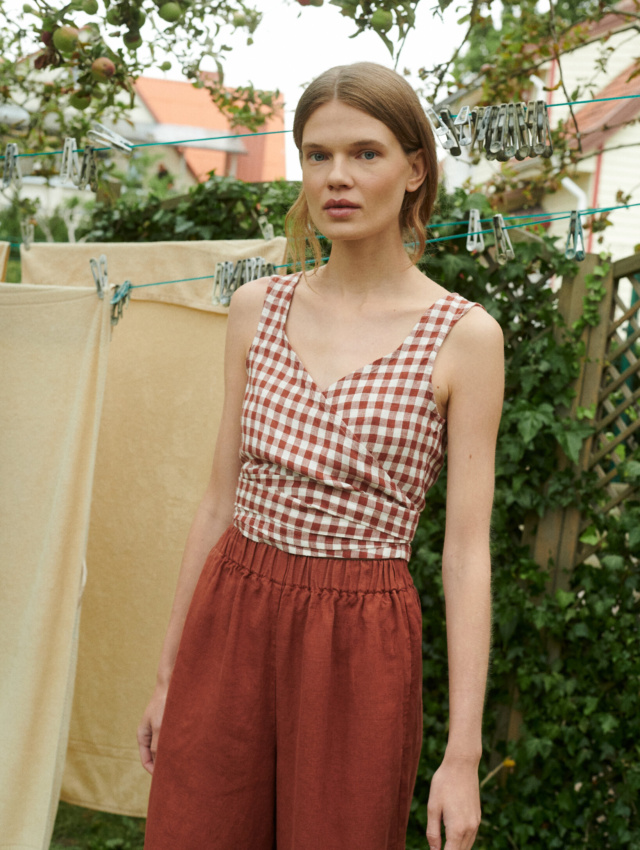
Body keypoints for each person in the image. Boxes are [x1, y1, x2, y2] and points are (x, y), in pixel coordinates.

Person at [138, 61, 504, 850]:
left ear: (415, 170)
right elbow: (216, 500)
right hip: (232, 614)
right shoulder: (255, 309)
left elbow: (467, 551)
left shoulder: (465, 338)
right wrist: (170, 677)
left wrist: (462, 756)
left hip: (359, 641)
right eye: (317, 155)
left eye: (365, 154)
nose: (337, 177)